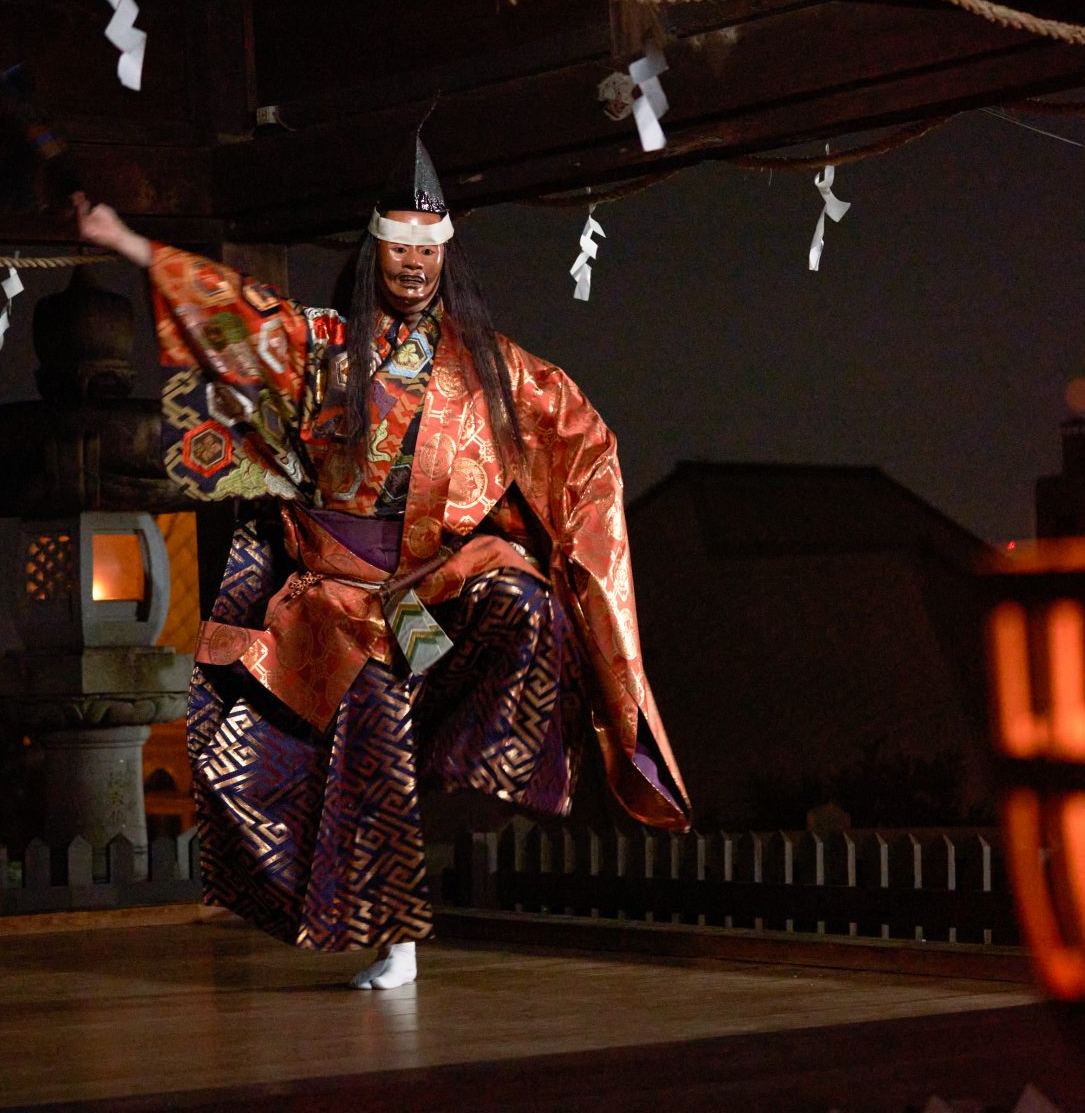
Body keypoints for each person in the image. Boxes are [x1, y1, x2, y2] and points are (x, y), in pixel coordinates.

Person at [73, 132, 690, 989]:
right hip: (330, 596)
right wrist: (131, 244)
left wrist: (578, 531)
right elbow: (231, 311)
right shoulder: (318, 344)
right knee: (363, 726)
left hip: (427, 592)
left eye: (427, 249)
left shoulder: (489, 369)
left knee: (524, 601)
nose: (411, 264)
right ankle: (392, 933)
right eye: (396, 246)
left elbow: (584, 445)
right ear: (374, 253)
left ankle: (479, 769)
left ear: (445, 258)